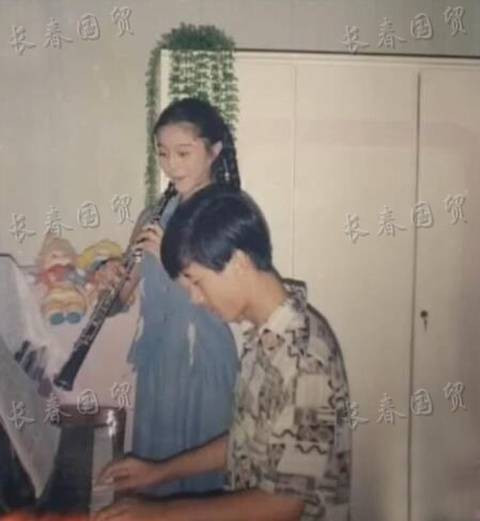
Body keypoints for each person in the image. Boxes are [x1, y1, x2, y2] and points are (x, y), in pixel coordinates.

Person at [96, 186, 351, 521]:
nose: (195, 298)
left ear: (239, 263)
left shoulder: (304, 359)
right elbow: (244, 442)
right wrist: (159, 472)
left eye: (197, 282)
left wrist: (159, 514)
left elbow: (282, 505)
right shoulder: (265, 335)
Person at [99, 98, 241, 496]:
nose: (171, 165)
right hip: (158, 364)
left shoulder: (228, 214)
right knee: (154, 482)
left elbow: (230, 302)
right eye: (162, 153)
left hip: (203, 361)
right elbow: (122, 300)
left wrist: (168, 258)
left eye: (183, 153)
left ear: (213, 151)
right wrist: (111, 282)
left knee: (198, 490)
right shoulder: (152, 217)